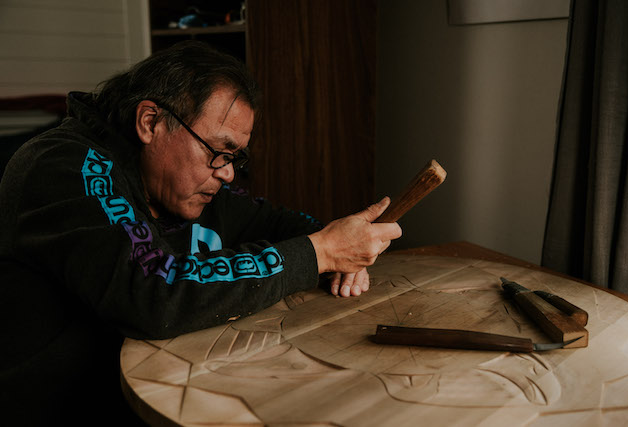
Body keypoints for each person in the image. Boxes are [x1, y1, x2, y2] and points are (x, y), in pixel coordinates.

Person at [0, 41, 401, 424]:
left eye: (233, 158)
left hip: (161, 393)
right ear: (150, 122)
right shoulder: (63, 167)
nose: (226, 172)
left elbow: (279, 224)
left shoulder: (183, 185)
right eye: (217, 151)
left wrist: (339, 247)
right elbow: (154, 292)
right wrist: (318, 253)